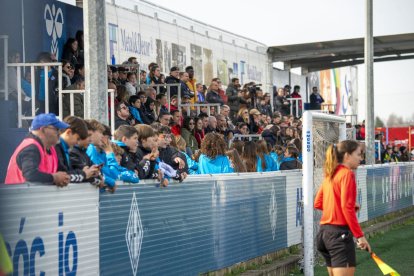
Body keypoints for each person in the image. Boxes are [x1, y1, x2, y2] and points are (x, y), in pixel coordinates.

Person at [314, 140, 371, 276]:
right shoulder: (347, 174)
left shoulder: (330, 173)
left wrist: (342, 207)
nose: (360, 158)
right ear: (347, 156)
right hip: (339, 235)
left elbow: (318, 202)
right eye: (358, 154)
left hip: (324, 235)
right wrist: (360, 236)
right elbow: (346, 207)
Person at [5, 113, 70, 186]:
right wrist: (54, 178)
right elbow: (30, 174)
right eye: (56, 129)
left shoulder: (51, 149)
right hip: (20, 194)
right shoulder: (31, 148)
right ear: (42, 129)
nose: (59, 133)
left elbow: (62, 172)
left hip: (35, 195)